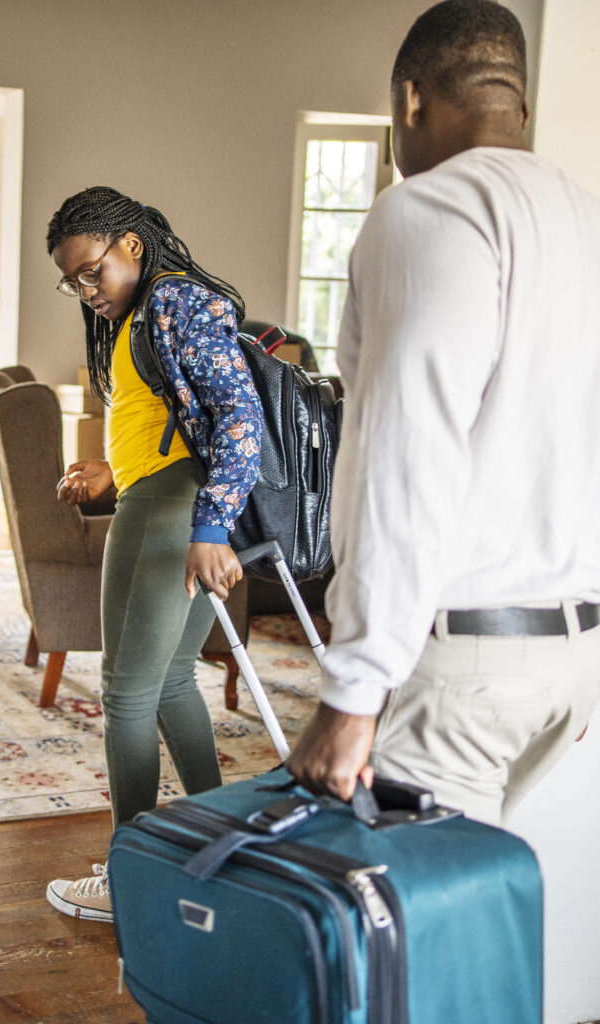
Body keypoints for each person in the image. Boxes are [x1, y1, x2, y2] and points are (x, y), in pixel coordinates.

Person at [286, 0, 600, 827]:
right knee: (466, 898)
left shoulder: (427, 208)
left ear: (410, 100)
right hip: (569, 658)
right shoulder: (586, 219)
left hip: (462, 663)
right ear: (520, 108)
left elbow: (402, 454)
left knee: (389, 909)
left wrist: (352, 691)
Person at [44, 187, 263, 921]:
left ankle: (128, 879)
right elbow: (173, 420)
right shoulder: (146, 310)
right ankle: (225, 853)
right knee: (168, 683)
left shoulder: (174, 300)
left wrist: (211, 528)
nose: (86, 290)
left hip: (169, 512)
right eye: (73, 282)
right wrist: (114, 471)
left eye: (91, 271)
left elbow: (238, 415)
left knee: (127, 695)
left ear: (130, 246)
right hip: (166, 498)